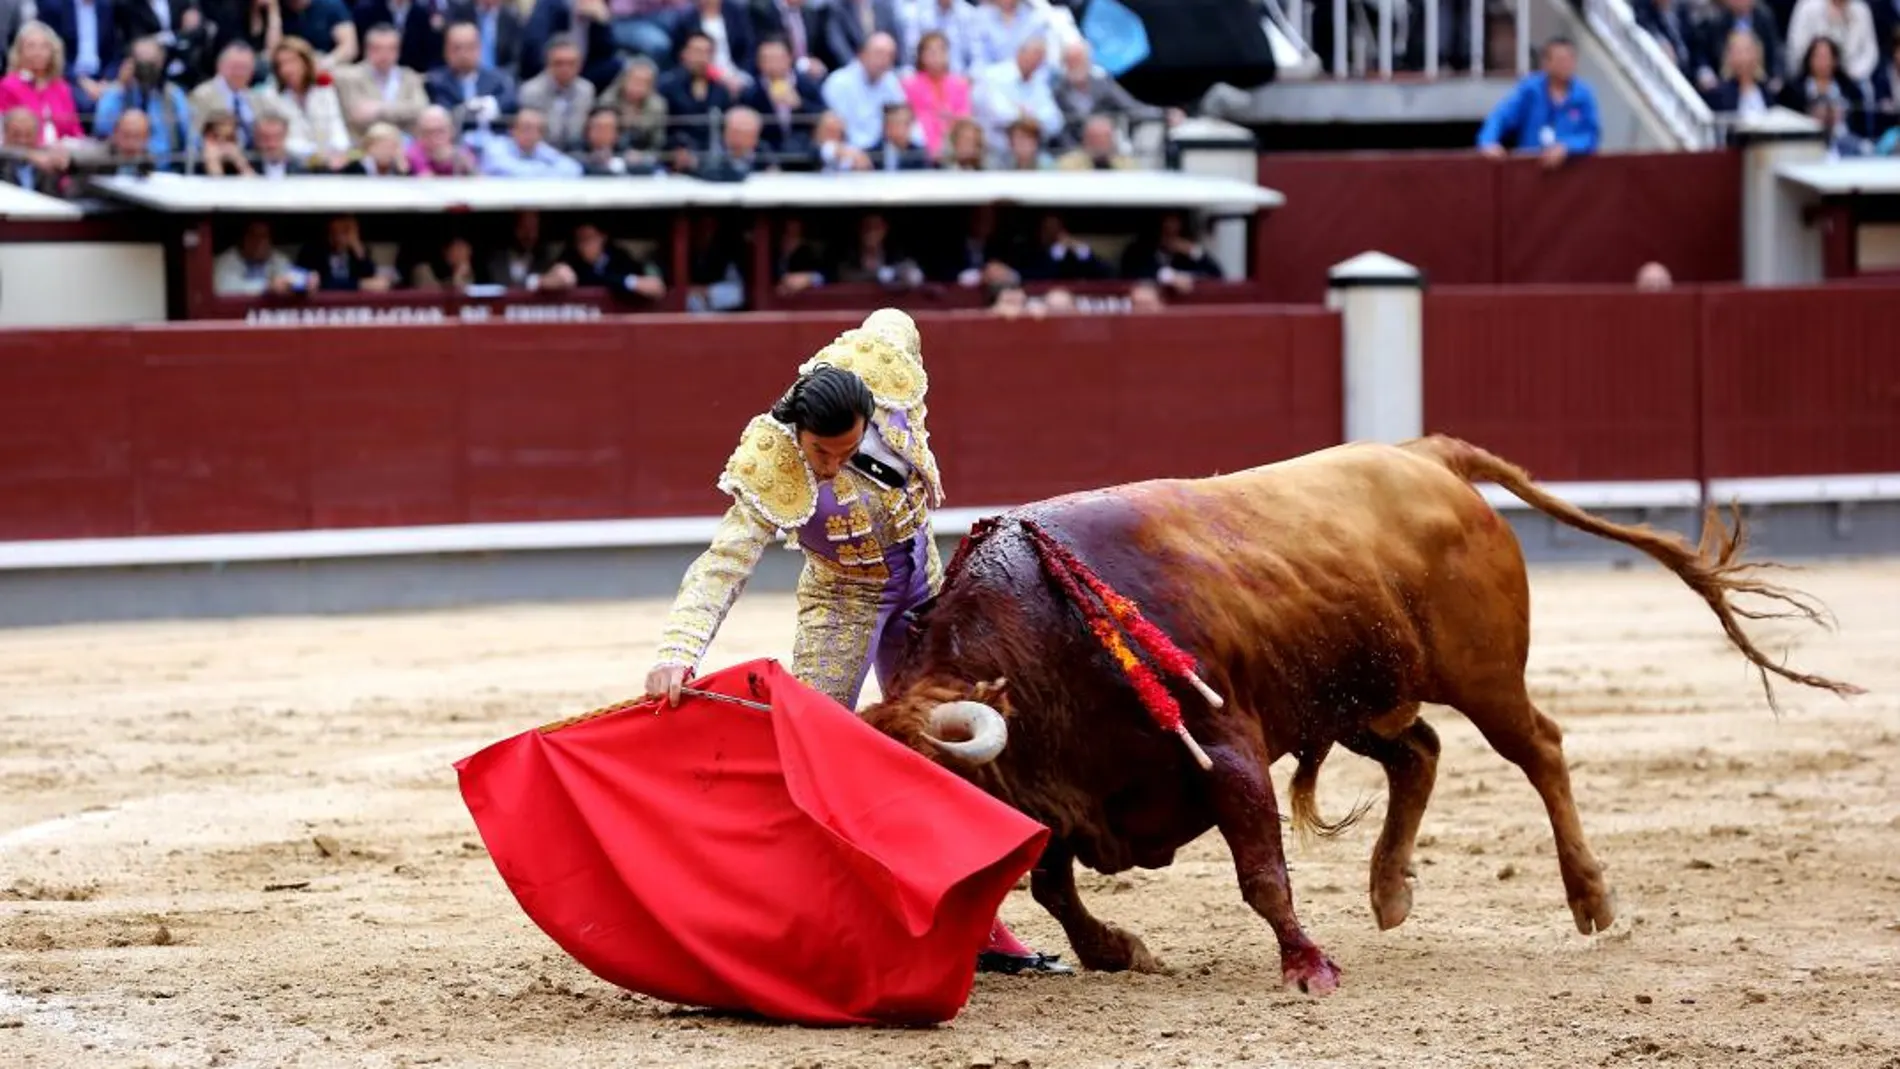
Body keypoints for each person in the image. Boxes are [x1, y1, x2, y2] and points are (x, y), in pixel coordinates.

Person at [643, 307, 1072, 977]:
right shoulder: (773, 458)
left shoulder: (881, 371)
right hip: (843, 601)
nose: (835, 465)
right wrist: (678, 648)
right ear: (798, 433)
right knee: (817, 762)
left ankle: (979, 923)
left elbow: (895, 318)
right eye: (823, 455)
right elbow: (722, 563)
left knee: (950, 749)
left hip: (925, 587)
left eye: (849, 447)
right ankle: (813, 916)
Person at [1476, 35, 1600, 167]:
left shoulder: (1584, 94)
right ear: (1546, 63)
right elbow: (1501, 116)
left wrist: (1567, 147)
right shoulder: (1530, 90)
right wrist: (1488, 142)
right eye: (1560, 60)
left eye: (1570, 59)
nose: (1566, 65)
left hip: (1571, 170)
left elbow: (1590, 135)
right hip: (1531, 166)